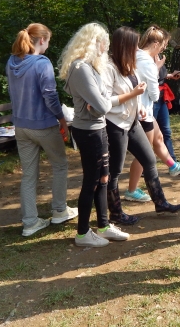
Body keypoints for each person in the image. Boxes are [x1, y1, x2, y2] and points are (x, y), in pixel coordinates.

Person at [59, 22, 129, 247]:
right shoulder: (80, 68)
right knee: (91, 181)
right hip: (88, 132)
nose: (106, 47)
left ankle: (104, 226)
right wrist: (99, 103)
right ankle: (82, 233)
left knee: (104, 178)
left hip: (99, 128)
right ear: (92, 42)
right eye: (103, 42)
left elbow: (102, 102)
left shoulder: (91, 67)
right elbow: (103, 104)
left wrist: (100, 103)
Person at [105, 26, 180, 225]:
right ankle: (115, 213)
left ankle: (161, 202)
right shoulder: (108, 67)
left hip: (132, 121)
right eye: (134, 44)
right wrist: (133, 97)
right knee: (114, 170)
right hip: (116, 124)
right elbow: (106, 100)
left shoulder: (129, 63)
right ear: (124, 45)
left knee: (149, 159)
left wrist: (138, 106)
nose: (137, 48)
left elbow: (136, 89)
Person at [6, 23, 78, 237]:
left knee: (29, 175)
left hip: (21, 126)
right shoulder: (41, 63)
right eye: (48, 41)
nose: (48, 45)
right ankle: (59, 210)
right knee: (60, 165)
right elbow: (50, 96)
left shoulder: (11, 62)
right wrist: (61, 118)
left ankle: (30, 221)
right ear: (41, 40)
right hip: (44, 125)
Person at [125, 26, 180, 202]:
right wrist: (156, 69)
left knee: (159, 138)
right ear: (156, 43)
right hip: (142, 112)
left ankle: (172, 165)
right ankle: (132, 190)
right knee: (144, 153)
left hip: (142, 110)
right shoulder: (147, 62)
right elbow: (155, 95)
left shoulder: (137, 55)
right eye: (163, 44)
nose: (164, 48)